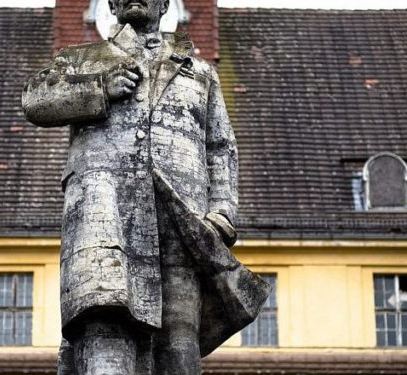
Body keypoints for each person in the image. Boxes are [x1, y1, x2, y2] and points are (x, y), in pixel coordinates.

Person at [22, 0, 248, 373]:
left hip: (181, 221)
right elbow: (34, 100)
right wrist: (99, 87)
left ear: (165, 4)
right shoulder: (85, 58)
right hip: (103, 210)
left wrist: (221, 213)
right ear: (111, 3)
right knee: (103, 317)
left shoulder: (200, 72)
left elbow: (220, 146)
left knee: (178, 343)